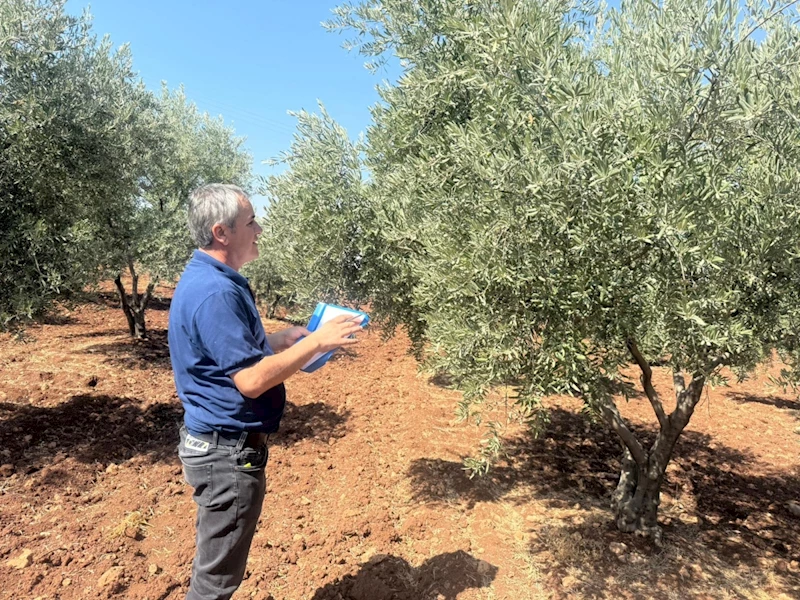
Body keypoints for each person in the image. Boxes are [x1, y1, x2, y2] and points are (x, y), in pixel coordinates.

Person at [168, 183, 364, 600]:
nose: (259, 228)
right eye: (251, 221)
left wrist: (277, 341)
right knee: (214, 584)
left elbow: (224, 355)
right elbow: (251, 380)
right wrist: (317, 342)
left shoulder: (209, 278)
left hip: (216, 447)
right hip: (226, 456)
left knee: (216, 570)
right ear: (222, 233)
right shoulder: (216, 291)